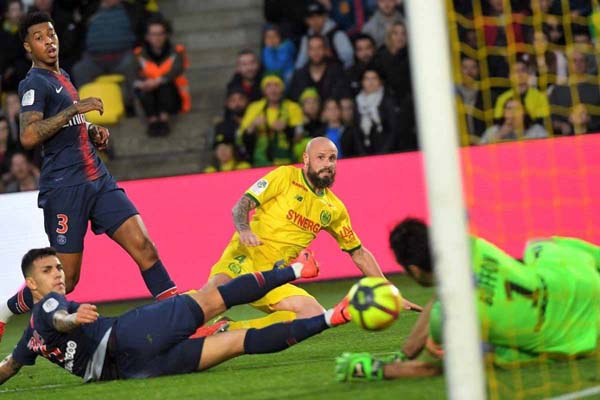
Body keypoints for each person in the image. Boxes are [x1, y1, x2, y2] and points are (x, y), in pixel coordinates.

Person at [0, 12, 179, 343]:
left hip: (99, 179)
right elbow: (28, 135)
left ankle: (183, 321)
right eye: (39, 37)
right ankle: (6, 311)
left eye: (51, 33)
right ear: (28, 46)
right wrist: (73, 111)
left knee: (146, 248)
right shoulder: (33, 84)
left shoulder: (62, 76)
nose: (49, 40)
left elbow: (65, 125)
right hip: (64, 188)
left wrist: (90, 130)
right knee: (66, 278)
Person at [0, 247, 351, 384]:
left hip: (133, 371)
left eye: (59, 267)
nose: (59, 274)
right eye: (48, 270)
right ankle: (296, 270)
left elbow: (9, 368)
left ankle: (331, 318)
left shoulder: (29, 339)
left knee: (238, 343)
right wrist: (74, 320)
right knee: (216, 299)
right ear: (31, 282)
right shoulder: (49, 305)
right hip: (134, 334)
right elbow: (59, 317)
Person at [202, 137, 422, 333]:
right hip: (245, 258)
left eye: (332, 159)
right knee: (210, 298)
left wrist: (388, 291)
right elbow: (241, 205)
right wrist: (244, 229)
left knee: (313, 314)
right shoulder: (285, 176)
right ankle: (172, 323)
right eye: (321, 157)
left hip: (274, 276)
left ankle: (228, 329)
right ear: (306, 159)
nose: (327, 164)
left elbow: (358, 252)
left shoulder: (334, 208)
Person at [335, 218, 600, 380]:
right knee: (538, 246)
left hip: (578, 335)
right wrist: (403, 355)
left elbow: (432, 368)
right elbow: (442, 296)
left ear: (414, 270)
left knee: (495, 355)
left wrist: (374, 369)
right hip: (579, 281)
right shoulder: (467, 245)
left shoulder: (450, 317)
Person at [133, 16, 191, 136]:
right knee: (145, 88)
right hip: (150, 96)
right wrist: (145, 83)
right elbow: (134, 75)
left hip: (173, 96)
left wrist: (157, 81)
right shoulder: (139, 54)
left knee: (165, 85)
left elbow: (176, 70)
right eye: (153, 34)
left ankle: (164, 119)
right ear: (147, 36)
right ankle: (153, 121)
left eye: (161, 34)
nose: (157, 38)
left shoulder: (177, 51)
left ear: (166, 35)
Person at [237, 75, 303, 167]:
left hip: (287, 157)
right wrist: (252, 126)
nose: (273, 90)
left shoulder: (293, 107)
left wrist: (286, 128)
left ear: (282, 89)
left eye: (276, 85)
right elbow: (240, 137)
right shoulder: (254, 108)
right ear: (263, 91)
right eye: (268, 86)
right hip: (260, 158)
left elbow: (300, 137)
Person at [295, 1, 354, 69]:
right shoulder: (306, 38)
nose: (315, 20)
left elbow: (348, 61)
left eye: (318, 16)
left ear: (325, 17)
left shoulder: (337, 34)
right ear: (306, 20)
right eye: (311, 17)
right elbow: (301, 63)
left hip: (338, 74)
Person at [480, 98, 548, 144]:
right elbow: (479, 154)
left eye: (516, 109)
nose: (512, 112)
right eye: (509, 109)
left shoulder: (537, 131)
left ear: (524, 113)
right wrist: (500, 134)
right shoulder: (492, 131)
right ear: (504, 113)